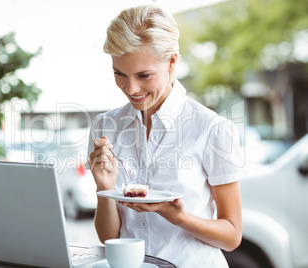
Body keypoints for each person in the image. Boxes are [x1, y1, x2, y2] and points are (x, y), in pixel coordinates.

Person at [87, 5, 245, 267]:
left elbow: (231, 236)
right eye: (119, 74)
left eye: (143, 75)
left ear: (172, 61)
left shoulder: (212, 129)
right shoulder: (105, 126)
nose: (131, 88)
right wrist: (104, 188)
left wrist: (178, 216)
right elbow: (109, 238)